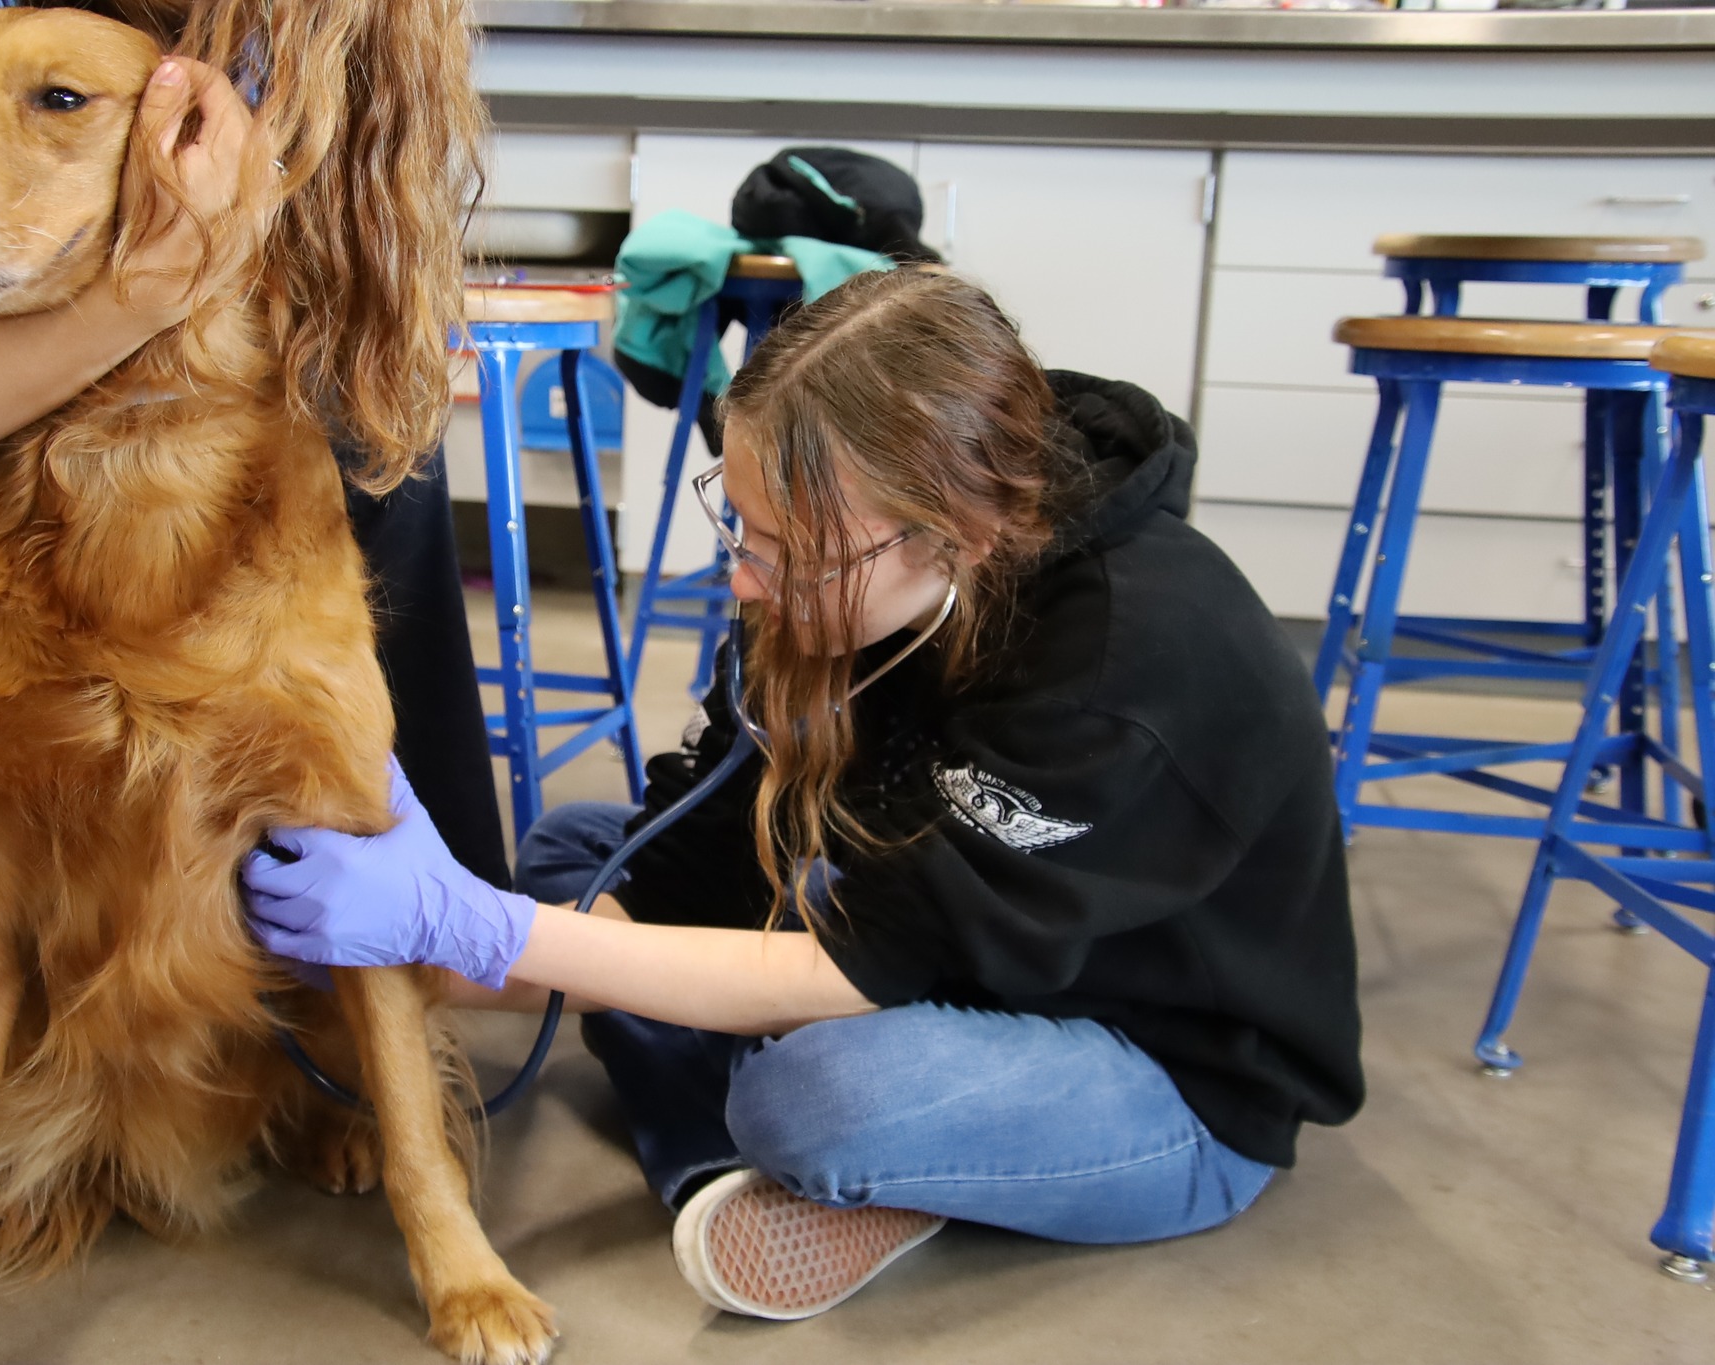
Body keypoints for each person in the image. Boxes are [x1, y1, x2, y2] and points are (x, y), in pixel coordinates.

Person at [243, 267, 1367, 1322]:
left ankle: (755, 1146)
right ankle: (762, 1101)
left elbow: (855, 964)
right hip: (936, 931)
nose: (743, 577)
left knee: (813, 1095)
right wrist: (442, 954)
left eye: (786, 554)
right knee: (578, 854)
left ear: (954, 537)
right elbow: (702, 841)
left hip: (1154, 1064)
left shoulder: (1127, 667)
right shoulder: (853, 552)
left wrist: (479, 928)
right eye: (738, 523)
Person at [0, 4, 502, 1363]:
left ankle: (426, 1004)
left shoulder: (254, 44)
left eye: (59, 98)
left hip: (120, 307)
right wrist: (134, 288)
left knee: (376, 465)